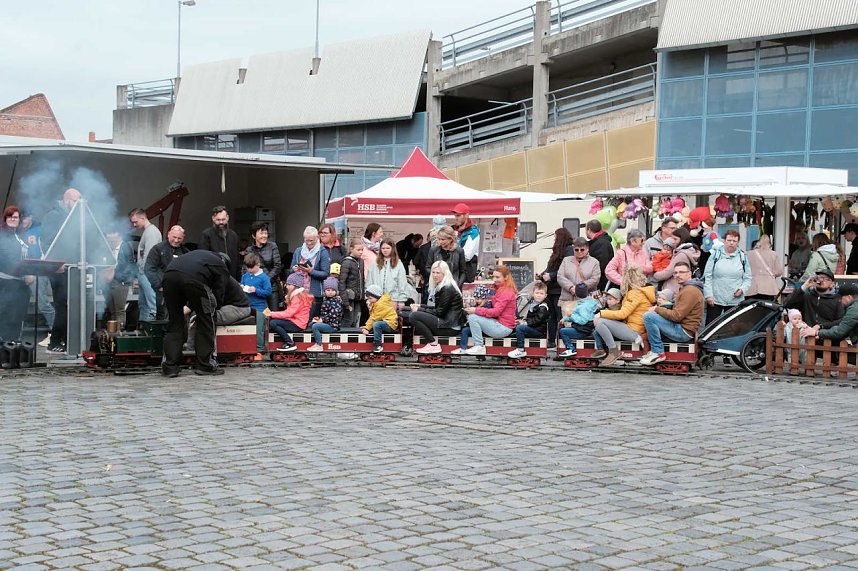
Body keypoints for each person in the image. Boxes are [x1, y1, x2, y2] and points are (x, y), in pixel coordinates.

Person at [161, 250, 231, 377]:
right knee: (206, 320)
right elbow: (218, 294)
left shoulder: (200, 255)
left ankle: (170, 366)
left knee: (174, 321)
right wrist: (212, 309)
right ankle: (205, 365)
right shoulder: (221, 267)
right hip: (194, 279)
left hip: (169, 276)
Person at [640, 261, 705, 365]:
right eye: (675, 273)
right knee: (652, 315)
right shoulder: (686, 288)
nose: (678, 275)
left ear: (689, 273)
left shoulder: (690, 291)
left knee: (649, 317)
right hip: (684, 328)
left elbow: (677, 316)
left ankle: (658, 352)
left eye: (681, 272)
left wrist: (657, 310)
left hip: (683, 331)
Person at [40, 187, 81, 353]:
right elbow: (47, 241)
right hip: (59, 268)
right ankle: (55, 341)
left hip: (72, 267)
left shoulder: (74, 216)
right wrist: (56, 262)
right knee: (62, 305)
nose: (78, 205)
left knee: (70, 305)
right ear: (67, 200)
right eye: (76, 201)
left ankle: (66, 340)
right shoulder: (54, 215)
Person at [591, 264, 655, 366]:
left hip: (634, 330)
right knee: (601, 322)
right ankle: (605, 350)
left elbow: (623, 314)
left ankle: (613, 351)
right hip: (636, 328)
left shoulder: (634, 293)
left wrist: (601, 313)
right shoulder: (639, 292)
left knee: (601, 322)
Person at [453, 266, 518, 356]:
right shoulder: (502, 289)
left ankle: (479, 346)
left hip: (503, 327)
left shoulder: (505, 292)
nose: (494, 279)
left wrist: (476, 310)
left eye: (498, 277)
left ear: (506, 277)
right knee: (472, 320)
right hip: (502, 324)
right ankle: (469, 347)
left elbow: (495, 312)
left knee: (473, 317)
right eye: (493, 277)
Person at [412, 261, 466, 354]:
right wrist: (421, 306)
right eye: (433, 272)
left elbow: (439, 312)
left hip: (449, 327)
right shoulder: (444, 286)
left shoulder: (447, 288)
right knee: (414, 314)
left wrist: (420, 310)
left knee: (414, 316)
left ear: (444, 274)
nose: (435, 275)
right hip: (447, 323)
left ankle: (433, 344)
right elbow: (439, 308)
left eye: (438, 273)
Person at [702, 229, 752, 322]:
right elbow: (707, 276)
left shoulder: (742, 257)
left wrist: (742, 289)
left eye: (734, 241)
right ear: (724, 241)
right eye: (729, 240)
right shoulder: (715, 255)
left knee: (733, 328)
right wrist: (708, 295)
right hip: (715, 299)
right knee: (711, 327)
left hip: (735, 300)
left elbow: (748, 277)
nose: (731, 243)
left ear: (738, 242)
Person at [19, 211, 55, 341]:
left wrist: (35, 271)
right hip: (20, 273)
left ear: (30, 217)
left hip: (37, 272)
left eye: (24, 218)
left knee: (43, 303)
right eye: (21, 218)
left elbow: (47, 251)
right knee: (20, 303)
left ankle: (55, 333)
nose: (22, 221)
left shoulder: (39, 230)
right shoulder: (17, 233)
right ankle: (17, 334)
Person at [538, 228, 574, 350]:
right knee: (551, 316)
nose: (554, 239)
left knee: (559, 316)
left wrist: (551, 276)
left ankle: (560, 341)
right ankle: (552, 341)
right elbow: (550, 267)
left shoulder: (569, 249)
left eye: (556, 237)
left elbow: (567, 269)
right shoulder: (558, 251)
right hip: (552, 288)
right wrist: (542, 274)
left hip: (560, 289)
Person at [0, 206, 31, 343]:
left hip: (21, 284)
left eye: (16, 217)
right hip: (6, 283)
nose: (13, 219)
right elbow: (7, 258)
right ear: (5, 218)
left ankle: (13, 344)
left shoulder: (22, 235)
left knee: (18, 316)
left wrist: (32, 272)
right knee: (6, 316)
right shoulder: (1, 235)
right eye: (10, 216)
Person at [144, 225, 189, 320]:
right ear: (169, 235)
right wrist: (159, 286)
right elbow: (149, 268)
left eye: (179, 238)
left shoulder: (185, 252)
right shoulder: (158, 249)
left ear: (183, 238)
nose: (176, 240)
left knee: (179, 317)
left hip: (180, 292)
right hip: (162, 291)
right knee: (163, 317)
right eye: (174, 237)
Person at [289, 226, 331, 318]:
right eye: (306, 240)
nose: (308, 243)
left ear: (317, 238)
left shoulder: (322, 252)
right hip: (298, 293)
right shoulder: (298, 251)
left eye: (311, 240)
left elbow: (325, 274)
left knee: (311, 321)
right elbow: (290, 270)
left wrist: (311, 271)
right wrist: (294, 269)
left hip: (314, 294)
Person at [129, 208, 162, 322]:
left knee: (151, 305)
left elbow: (149, 255)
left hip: (147, 274)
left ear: (143, 218)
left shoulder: (151, 233)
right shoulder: (148, 232)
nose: (134, 224)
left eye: (135, 222)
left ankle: (151, 329)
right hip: (144, 273)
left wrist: (143, 271)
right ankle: (144, 327)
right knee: (144, 304)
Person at [802, 284, 858, 349]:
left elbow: (840, 332)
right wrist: (822, 332)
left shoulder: (854, 309)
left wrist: (816, 332)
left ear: (848, 297)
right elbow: (846, 329)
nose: (839, 301)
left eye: (840, 298)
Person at [268, 272, 313, 352]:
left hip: (298, 323)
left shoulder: (297, 297)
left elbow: (289, 313)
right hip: (297, 321)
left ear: (295, 286)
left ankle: (290, 342)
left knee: (273, 323)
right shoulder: (299, 295)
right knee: (274, 322)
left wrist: (272, 314)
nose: (286, 286)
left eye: (289, 284)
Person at [102, 227, 137, 329]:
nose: (110, 240)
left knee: (120, 310)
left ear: (119, 236)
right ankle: (113, 335)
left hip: (120, 282)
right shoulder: (107, 249)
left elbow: (130, 266)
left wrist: (116, 274)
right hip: (108, 283)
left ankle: (119, 333)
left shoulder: (126, 247)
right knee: (112, 311)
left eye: (112, 239)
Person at [243, 221, 283, 310]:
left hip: (271, 287)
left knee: (273, 314)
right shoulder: (249, 250)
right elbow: (245, 269)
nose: (265, 235)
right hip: (255, 289)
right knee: (258, 315)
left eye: (266, 233)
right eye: (261, 233)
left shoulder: (272, 246)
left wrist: (265, 280)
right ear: (254, 236)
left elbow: (277, 266)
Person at [240, 253, 272, 357]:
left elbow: (268, 292)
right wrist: (241, 287)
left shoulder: (264, 277)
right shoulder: (245, 276)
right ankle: (247, 347)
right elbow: (242, 286)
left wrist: (256, 290)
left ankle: (260, 349)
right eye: (247, 267)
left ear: (258, 265)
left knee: (259, 329)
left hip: (260, 307)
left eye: (251, 267)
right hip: (247, 306)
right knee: (246, 329)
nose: (249, 270)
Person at [650, 228, 700, 293]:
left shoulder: (681, 255)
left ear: (682, 239)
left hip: (674, 288)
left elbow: (667, 273)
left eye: (675, 239)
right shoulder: (686, 251)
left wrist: (654, 275)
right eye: (672, 238)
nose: (673, 241)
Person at [508, 282, 550, 358]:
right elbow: (531, 318)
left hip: (538, 330)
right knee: (516, 325)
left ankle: (520, 349)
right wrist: (523, 320)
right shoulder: (533, 304)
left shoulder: (543, 307)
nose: (539, 295)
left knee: (520, 328)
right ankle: (511, 345)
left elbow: (537, 320)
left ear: (545, 296)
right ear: (533, 294)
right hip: (534, 327)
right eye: (537, 293)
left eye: (541, 293)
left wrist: (525, 323)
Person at [199, 205, 241, 280]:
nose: (221, 222)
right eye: (218, 220)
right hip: (214, 277)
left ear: (227, 218)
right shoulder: (206, 235)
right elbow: (203, 258)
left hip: (232, 277)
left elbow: (237, 259)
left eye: (223, 219)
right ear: (213, 219)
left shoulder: (234, 235)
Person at [557, 238, 601, 303]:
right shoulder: (566, 260)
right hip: (567, 300)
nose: (579, 252)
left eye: (582, 250)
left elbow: (595, 279)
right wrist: (570, 287)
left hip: (586, 301)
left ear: (587, 249)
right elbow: (560, 277)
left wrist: (579, 288)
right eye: (576, 250)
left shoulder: (594, 262)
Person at [557, 293, 601, 358]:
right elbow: (577, 317)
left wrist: (571, 315)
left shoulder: (583, 307)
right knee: (565, 329)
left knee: (563, 331)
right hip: (583, 328)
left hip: (582, 330)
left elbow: (583, 321)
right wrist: (566, 318)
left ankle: (571, 349)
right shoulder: (588, 303)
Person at [367, 237, 408, 304]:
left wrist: (402, 300)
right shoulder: (375, 263)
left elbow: (402, 282)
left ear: (392, 249)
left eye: (388, 248)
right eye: (383, 248)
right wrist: (368, 297)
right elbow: (369, 281)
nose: (385, 250)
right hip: (376, 298)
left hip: (392, 298)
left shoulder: (398, 264)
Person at [308, 277, 343, 351]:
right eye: (328, 290)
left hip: (332, 326)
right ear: (324, 291)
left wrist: (322, 320)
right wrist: (319, 318)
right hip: (327, 323)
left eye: (333, 290)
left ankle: (319, 345)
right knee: (310, 324)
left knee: (315, 326)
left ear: (336, 291)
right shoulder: (326, 300)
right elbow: (325, 313)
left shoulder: (336, 301)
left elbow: (334, 314)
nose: (330, 292)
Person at [362, 284, 398, 353]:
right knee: (376, 324)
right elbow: (374, 316)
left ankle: (377, 345)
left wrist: (367, 328)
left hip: (390, 324)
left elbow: (374, 317)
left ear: (376, 296)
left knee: (377, 324)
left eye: (370, 298)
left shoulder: (381, 304)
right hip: (387, 322)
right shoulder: (377, 302)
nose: (369, 300)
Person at [746, 235, 784, 300]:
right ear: (769, 244)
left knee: (751, 308)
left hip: (751, 287)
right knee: (767, 308)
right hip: (769, 288)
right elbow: (779, 271)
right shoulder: (773, 254)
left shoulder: (748, 254)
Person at [338, 237, 365, 328]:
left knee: (356, 321)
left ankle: (355, 342)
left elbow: (362, 280)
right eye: (358, 250)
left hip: (358, 298)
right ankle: (343, 341)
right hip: (349, 298)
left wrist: (363, 295)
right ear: (351, 249)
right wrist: (345, 302)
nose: (361, 252)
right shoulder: (346, 262)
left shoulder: (361, 261)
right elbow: (341, 282)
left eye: (362, 250)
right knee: (348, 320)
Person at [452, 203, 480, 283]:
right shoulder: (455, 230)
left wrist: (451, 253)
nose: (456, 218)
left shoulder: (473, 232)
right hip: (454, 273)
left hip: (466, 275)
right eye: (455, 216)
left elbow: (467, 256)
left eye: (458, 215)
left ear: (467, 215)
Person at [586, 219, 614, 291]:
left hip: (600, 283)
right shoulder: (601, 242)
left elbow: (601, 265)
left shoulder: (601, 244)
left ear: (589, 229)